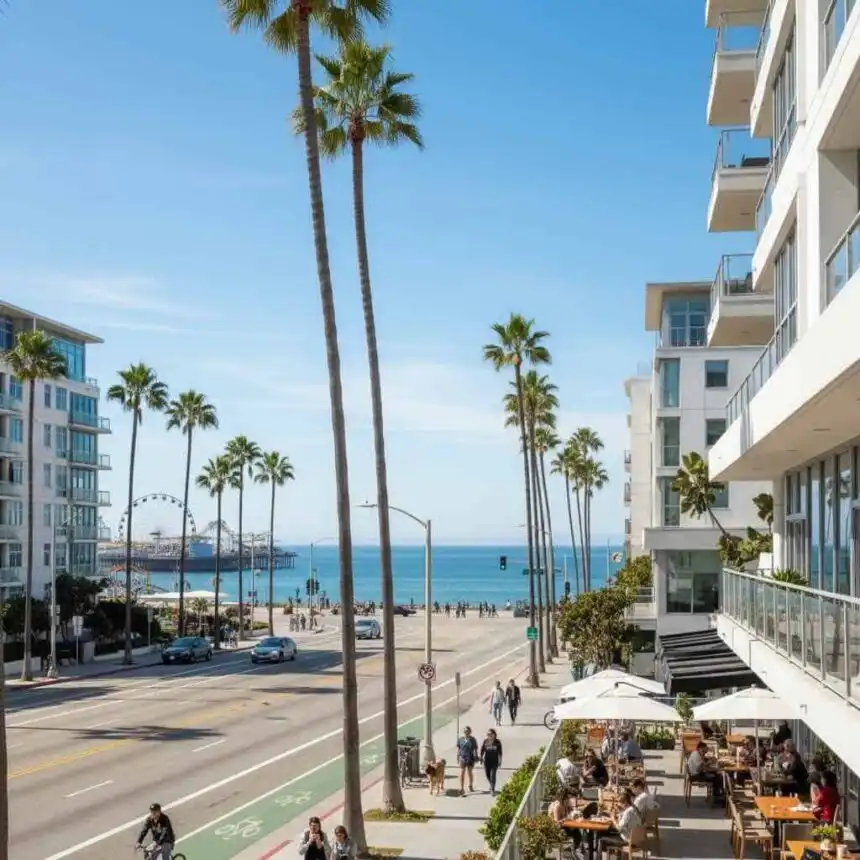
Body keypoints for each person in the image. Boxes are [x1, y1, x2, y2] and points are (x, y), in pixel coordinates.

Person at [598, 789, 643, 855]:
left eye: (620, 804)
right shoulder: (634, 808)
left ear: (625, 803)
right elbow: (626, 821)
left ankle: (610, 854)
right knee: (606, 832)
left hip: (628, 839)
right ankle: (613, 855)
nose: (619, 805)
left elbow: (619, 828)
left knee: (600, 837)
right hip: (638, 838)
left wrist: (613, 819)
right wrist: (620, 814)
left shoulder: (628, 812)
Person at [480, 728, 503, 796]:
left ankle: (492, 789)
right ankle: (491, 785)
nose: (489, 735)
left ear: (494, 735)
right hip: (486, 761)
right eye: (488, 734)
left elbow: (500, 752)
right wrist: (481, 757)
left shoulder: (497, 742)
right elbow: (482, 750)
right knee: (487, 775)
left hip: (494, 761)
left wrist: (500, 761)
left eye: (490, 734)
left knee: (492, 775)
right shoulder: (485, 741)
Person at [456, 726, 479, 796]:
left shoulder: (473, 739)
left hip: (470, 758)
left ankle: (470, 785)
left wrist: (476, 756)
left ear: (470, 732)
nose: (467, 732)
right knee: (462, 773)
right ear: (464, 732)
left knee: (469, 772)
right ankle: (462, 788)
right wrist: (458, 757)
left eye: (468, 731)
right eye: (465, 731)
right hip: (462, 758)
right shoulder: (460, 739)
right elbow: (459, 749)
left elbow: (475, 749)